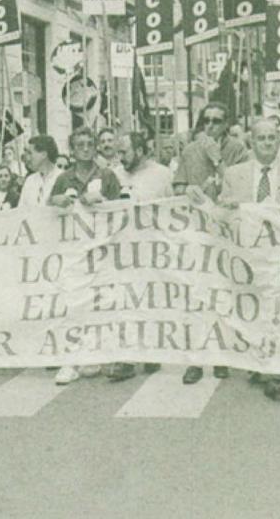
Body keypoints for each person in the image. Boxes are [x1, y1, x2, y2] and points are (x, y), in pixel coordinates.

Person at [209, 118, 280, 401]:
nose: (267, 143)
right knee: (251, 308)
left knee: (278, 309)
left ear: (279, 140)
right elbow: (221, 212)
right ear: (251, 142)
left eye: (272, 138)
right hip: (247, 258)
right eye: (261, 138)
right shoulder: (234, 174)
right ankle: (257, 360)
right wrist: (228, 207)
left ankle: (275, 369)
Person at [173, 102, 248, 384]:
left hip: (226, 232)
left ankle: (221, 357)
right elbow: (177, 186)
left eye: (217, 121)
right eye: (207, 120)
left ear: (226, 124)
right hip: (197, 230)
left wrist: (217, 160)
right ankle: (195, 359)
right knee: (196, 296)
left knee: (224, 295)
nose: (211, 126)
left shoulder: (237, 150)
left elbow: (241, 188)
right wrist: (187, 190)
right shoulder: (190, 150)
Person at [49, 127, 122, 385]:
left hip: (101, 252)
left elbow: (122, 209)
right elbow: (47, 214)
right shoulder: (63, 178)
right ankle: (70, 360)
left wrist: (102, 200)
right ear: (72, 149)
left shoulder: (107, 176)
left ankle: (97, 353)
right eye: (79, 144)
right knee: (73, 303)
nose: (85, 148)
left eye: (89, 143)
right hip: (74, 254)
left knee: (102, 302)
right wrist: (56, 201)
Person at [105, 132, 174, 383]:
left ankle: (151, 350)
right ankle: (127, 358)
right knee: (125, 303)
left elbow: (174, 210)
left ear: (141, 150)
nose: (120, 157)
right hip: (122, 251)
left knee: (150, 302)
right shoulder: (114, 175)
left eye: (124, 152)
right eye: (118, 152)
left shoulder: (163, 175)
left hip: (153, 250)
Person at [19, 135, 61, 208]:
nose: (27, 158)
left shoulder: (62, 178)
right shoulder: (30, 180)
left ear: (44, 155)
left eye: (30, 153)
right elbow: (21, 210)